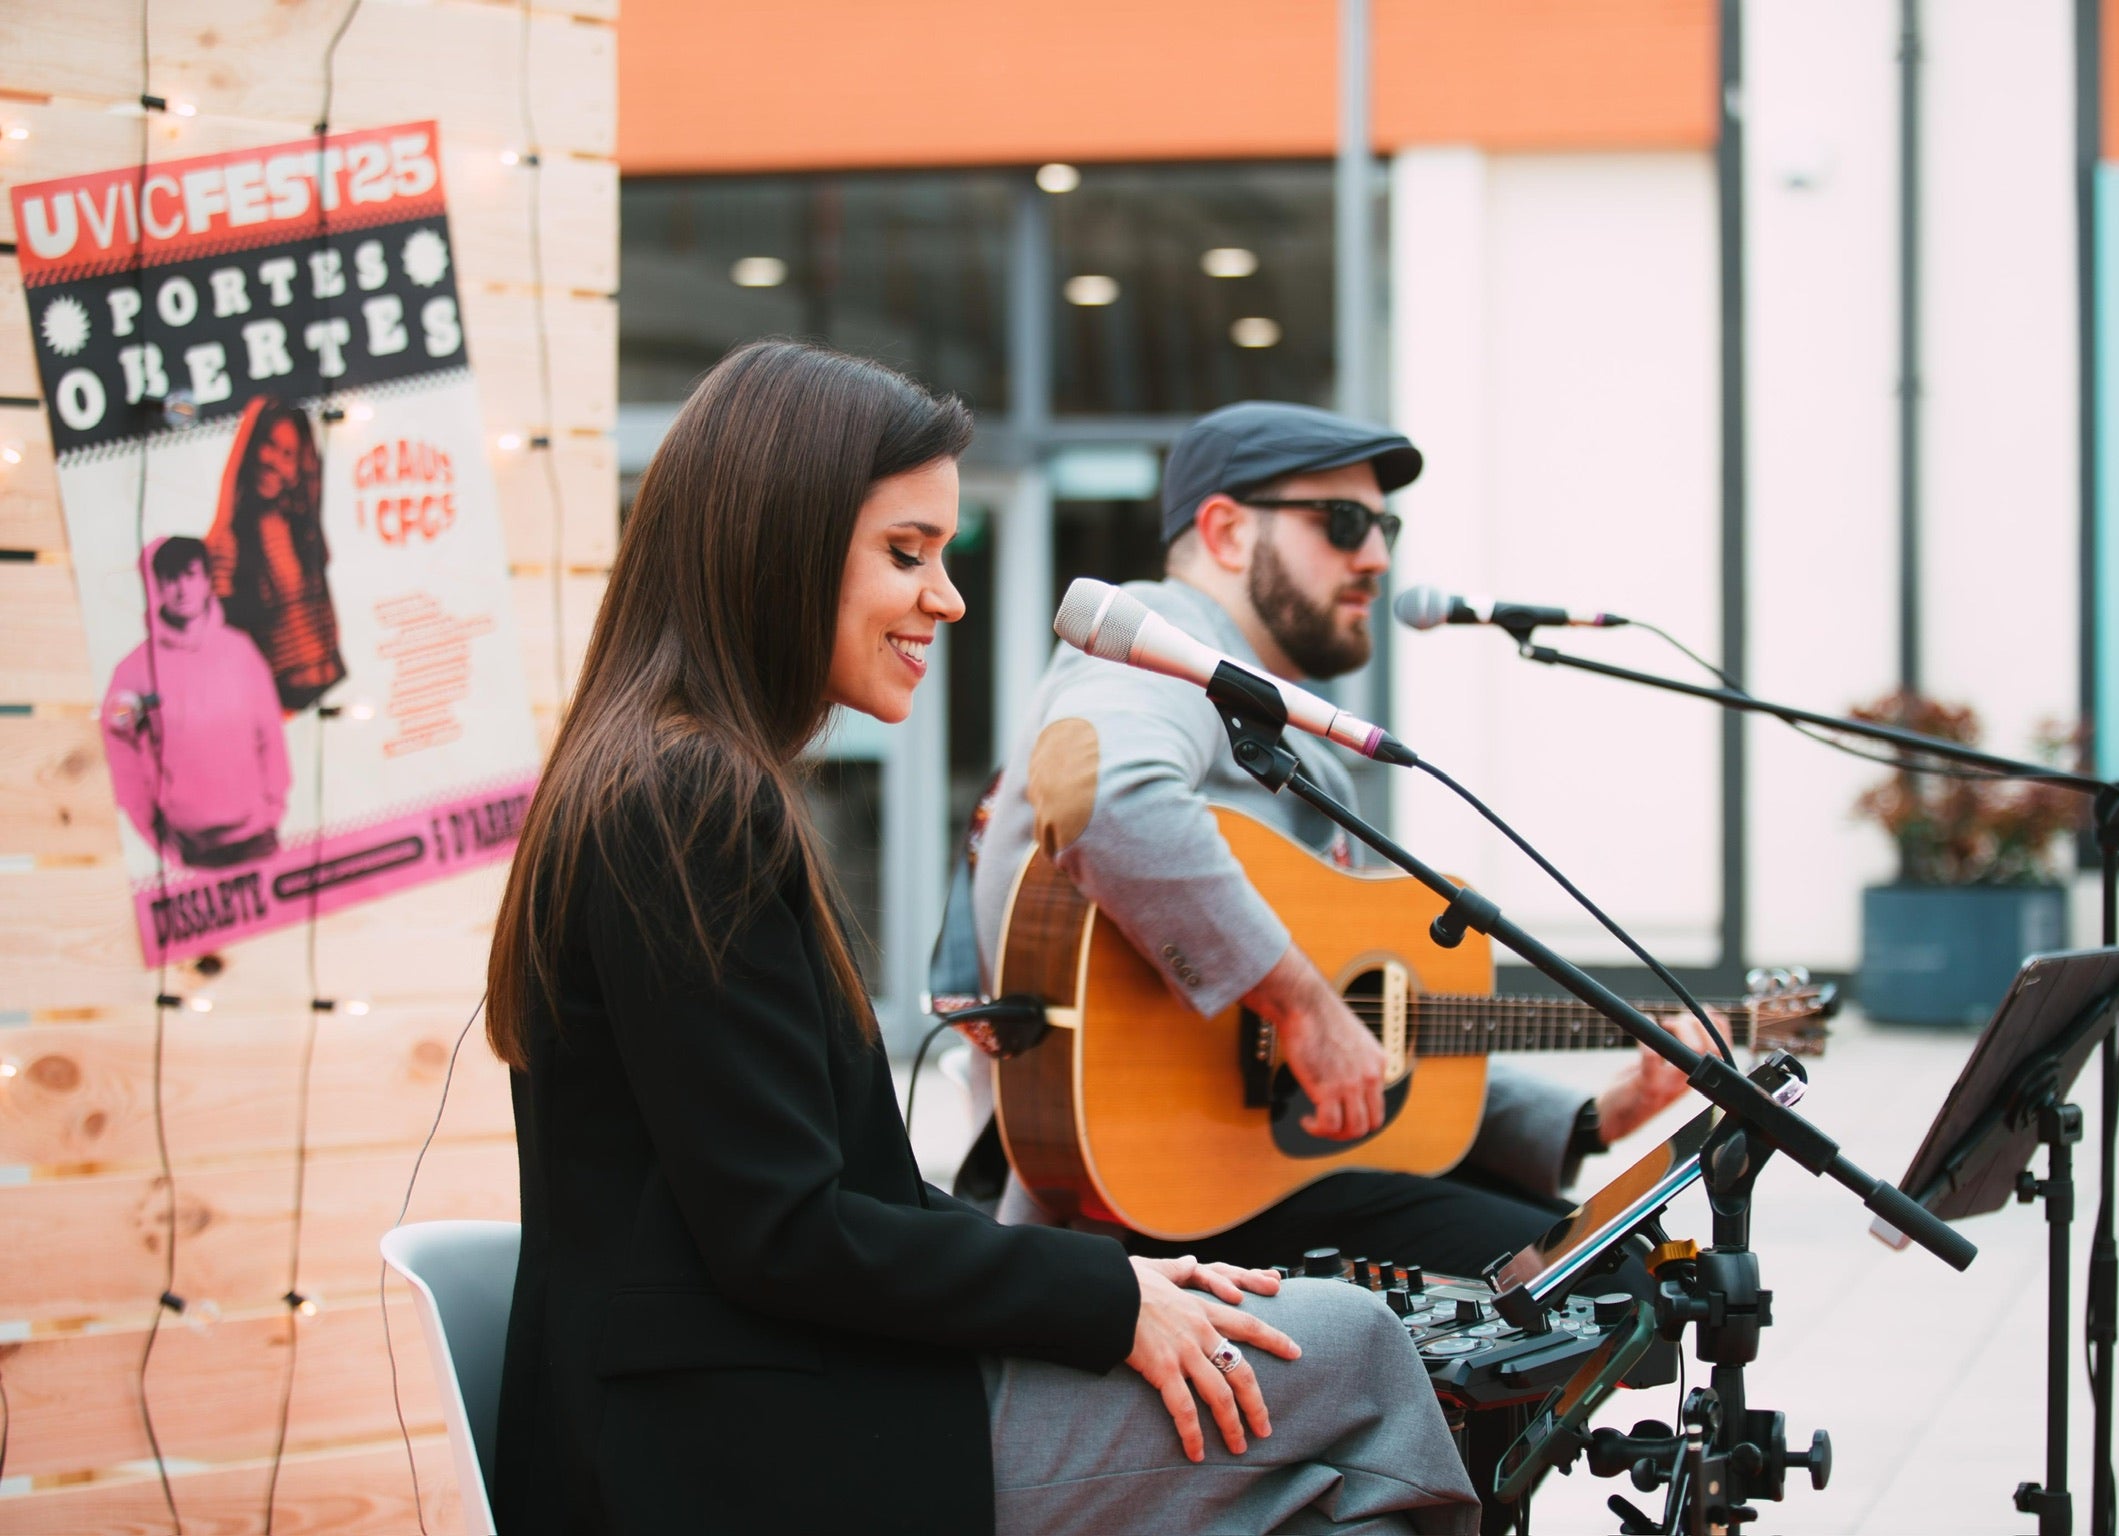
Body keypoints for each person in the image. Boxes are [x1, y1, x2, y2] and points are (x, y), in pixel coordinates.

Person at [484, 343, 1478, 1536]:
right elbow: (786, 1236)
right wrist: (1104, 1302)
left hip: (740, 1399)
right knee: (1357, 1351)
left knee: (1309, 1401)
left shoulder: (658, 776)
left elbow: (819, 1200)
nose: (948, 598)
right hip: (740, 1446)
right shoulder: (692, 799)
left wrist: (1114, 1280)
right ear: (777, 543)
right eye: (907, 554)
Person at [971, 401, 1714, 1278]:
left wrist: (1596, 1119)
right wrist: (1300, 1005)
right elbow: (1102, 792)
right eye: (1344, 522)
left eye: (1384, 528)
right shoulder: (1156, 642)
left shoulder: (1276, 719)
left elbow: (1378, 1035)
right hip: (1154, 1204)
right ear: (1227, 532)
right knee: (1613, 1282)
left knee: (1630, 1262)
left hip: (1264, 1172)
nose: (1377, 558)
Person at [102, 535, 291, 868]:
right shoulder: (133, 671)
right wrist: (154, 834)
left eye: (190, 575)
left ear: (206, 581)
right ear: (158, 586)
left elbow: (271, 735)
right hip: (188, 852)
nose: (182, 589)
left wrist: (272, 812)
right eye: (171, 579)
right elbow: (121, 757)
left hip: (257, 838)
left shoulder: (241, 651)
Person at [205, 396, 345, 710]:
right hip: (276, 702)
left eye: (288, 454)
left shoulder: (300, 529)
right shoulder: (229, 539)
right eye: (267, 445)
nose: (272, 461)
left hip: (325, 688)